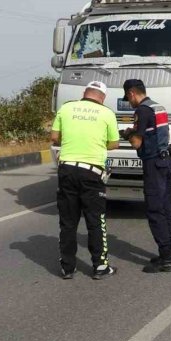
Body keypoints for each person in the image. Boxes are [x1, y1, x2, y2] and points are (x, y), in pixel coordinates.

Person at [51, 81, 120, 280]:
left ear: (84, 93)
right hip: (92, 173)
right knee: (95, 220)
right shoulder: (107, 114)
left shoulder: (66, 108)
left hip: (67, 170)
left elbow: (54, 137)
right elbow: (113, 144)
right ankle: (100, 266)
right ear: (103, 97)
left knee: (68, 222)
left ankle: (67, 268)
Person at [121, 79, 171, 272]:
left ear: (131, 94)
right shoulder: (158, 106)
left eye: (128, 99)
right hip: (166, 159)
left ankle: (167, 259)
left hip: (153, 163)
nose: (130, 103)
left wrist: (128, 134)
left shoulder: (142, 111)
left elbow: (137, 143)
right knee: (165, 208)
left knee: (154, 209)